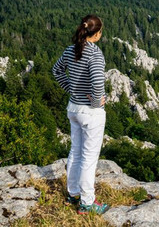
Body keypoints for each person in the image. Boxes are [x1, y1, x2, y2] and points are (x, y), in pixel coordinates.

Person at [52, 14, 110, 215]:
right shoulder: (94, 54)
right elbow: (97, 83)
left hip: (73, 109)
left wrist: (71, 89)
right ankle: (87, 203)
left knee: (75, 152)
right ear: (97, 34)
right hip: (90, 113)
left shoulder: (71, 50)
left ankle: (73, 193)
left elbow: (56, 70)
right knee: (89, 158)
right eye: (101, 31)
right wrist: (96, 101)